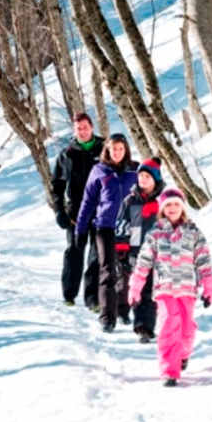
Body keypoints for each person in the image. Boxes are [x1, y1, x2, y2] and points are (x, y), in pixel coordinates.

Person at [127, 187, 212, 387]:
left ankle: (182, 355)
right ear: (162, 209)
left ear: (183, 207)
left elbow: (204, 261)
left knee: (187, 329)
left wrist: (208, 286)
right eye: (168, 205)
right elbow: (143, 263)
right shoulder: (155, 234)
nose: (173, 208)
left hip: (187, 289)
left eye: (177, 204)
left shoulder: (193, 233)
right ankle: (169, 370)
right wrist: (135, 287)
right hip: (164, 289)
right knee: (169, 326)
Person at [75, 133, 138, 332]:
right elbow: (88, 201)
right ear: (107, 150)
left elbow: (149, 194)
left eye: (121, 149)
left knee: (127, 269)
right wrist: (80, 228)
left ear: (126, 150)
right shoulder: (99, 171)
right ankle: (107, 317)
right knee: (108, 270)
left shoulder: (135, 170)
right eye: (113, 149)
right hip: (105, 226)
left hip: (130, 227)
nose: (117, 153)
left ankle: (123, 310)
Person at [50, 112, 103, 310]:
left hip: (100, 210)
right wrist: (59, 211)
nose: (82, 131)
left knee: (97, 254)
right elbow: (57, 185)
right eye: (78, 128)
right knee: (74, 251)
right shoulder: (67, 154)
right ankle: (69, 295)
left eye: (85, 127)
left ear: (92, 127)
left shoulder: (104, 149)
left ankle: (93, 299)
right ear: (74, 130)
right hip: (76, 212)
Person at [114, 157, 165, 344]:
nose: (143, 179)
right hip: (136, 253)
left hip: (158, 254)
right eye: (141, 176)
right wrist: (122, 249)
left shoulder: (162, 202)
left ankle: (150, 326)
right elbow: (121, 225)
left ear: (155, 180)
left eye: (147, 177)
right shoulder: (130, 201)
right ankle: (141, 325)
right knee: (139, 289)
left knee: (152, 291)